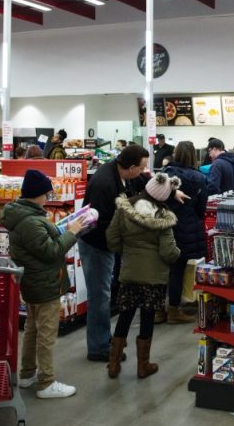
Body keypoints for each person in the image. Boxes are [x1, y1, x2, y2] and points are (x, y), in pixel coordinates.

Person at [1, 170, 89, 398]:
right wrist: (72, 232)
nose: (48, 199)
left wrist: (60, 229)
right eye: (48, 195)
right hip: (43, 283)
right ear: (38, 194)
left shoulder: (25, 215)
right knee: (46, 334)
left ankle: (28, 374)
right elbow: (51, 252)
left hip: (33, 281)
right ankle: (46, 383)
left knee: (32, 329)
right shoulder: (30, 222)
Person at [105, 172, 181, 379]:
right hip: (154, 276)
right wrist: (177, 255)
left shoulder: (125, 208)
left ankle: (113, 364)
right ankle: (143, 366)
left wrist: (126, 252)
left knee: (125, 315)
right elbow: (168, 252)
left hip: (129, 272)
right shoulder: (163, 218)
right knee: (147, 317)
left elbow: (111, 237)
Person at [78, 145, 151, 362]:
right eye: (141, 168)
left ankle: (104, 339)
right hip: (96, 246)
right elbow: (99, 224)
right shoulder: (104, 184)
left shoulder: (122, 174)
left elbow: (144, 183)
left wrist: (170, 190)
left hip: (106, 246)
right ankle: (99, 348)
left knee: (104, 294)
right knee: (99, 297)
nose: (143, 172)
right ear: (130, 167)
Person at [159, 141, 207, 324]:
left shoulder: (165, 174)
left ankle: (156, 310)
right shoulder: (199, 177)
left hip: (163, 225)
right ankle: (174, 309)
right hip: (187, 226)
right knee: (178, 269)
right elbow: (201, 207)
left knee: (161, 268)